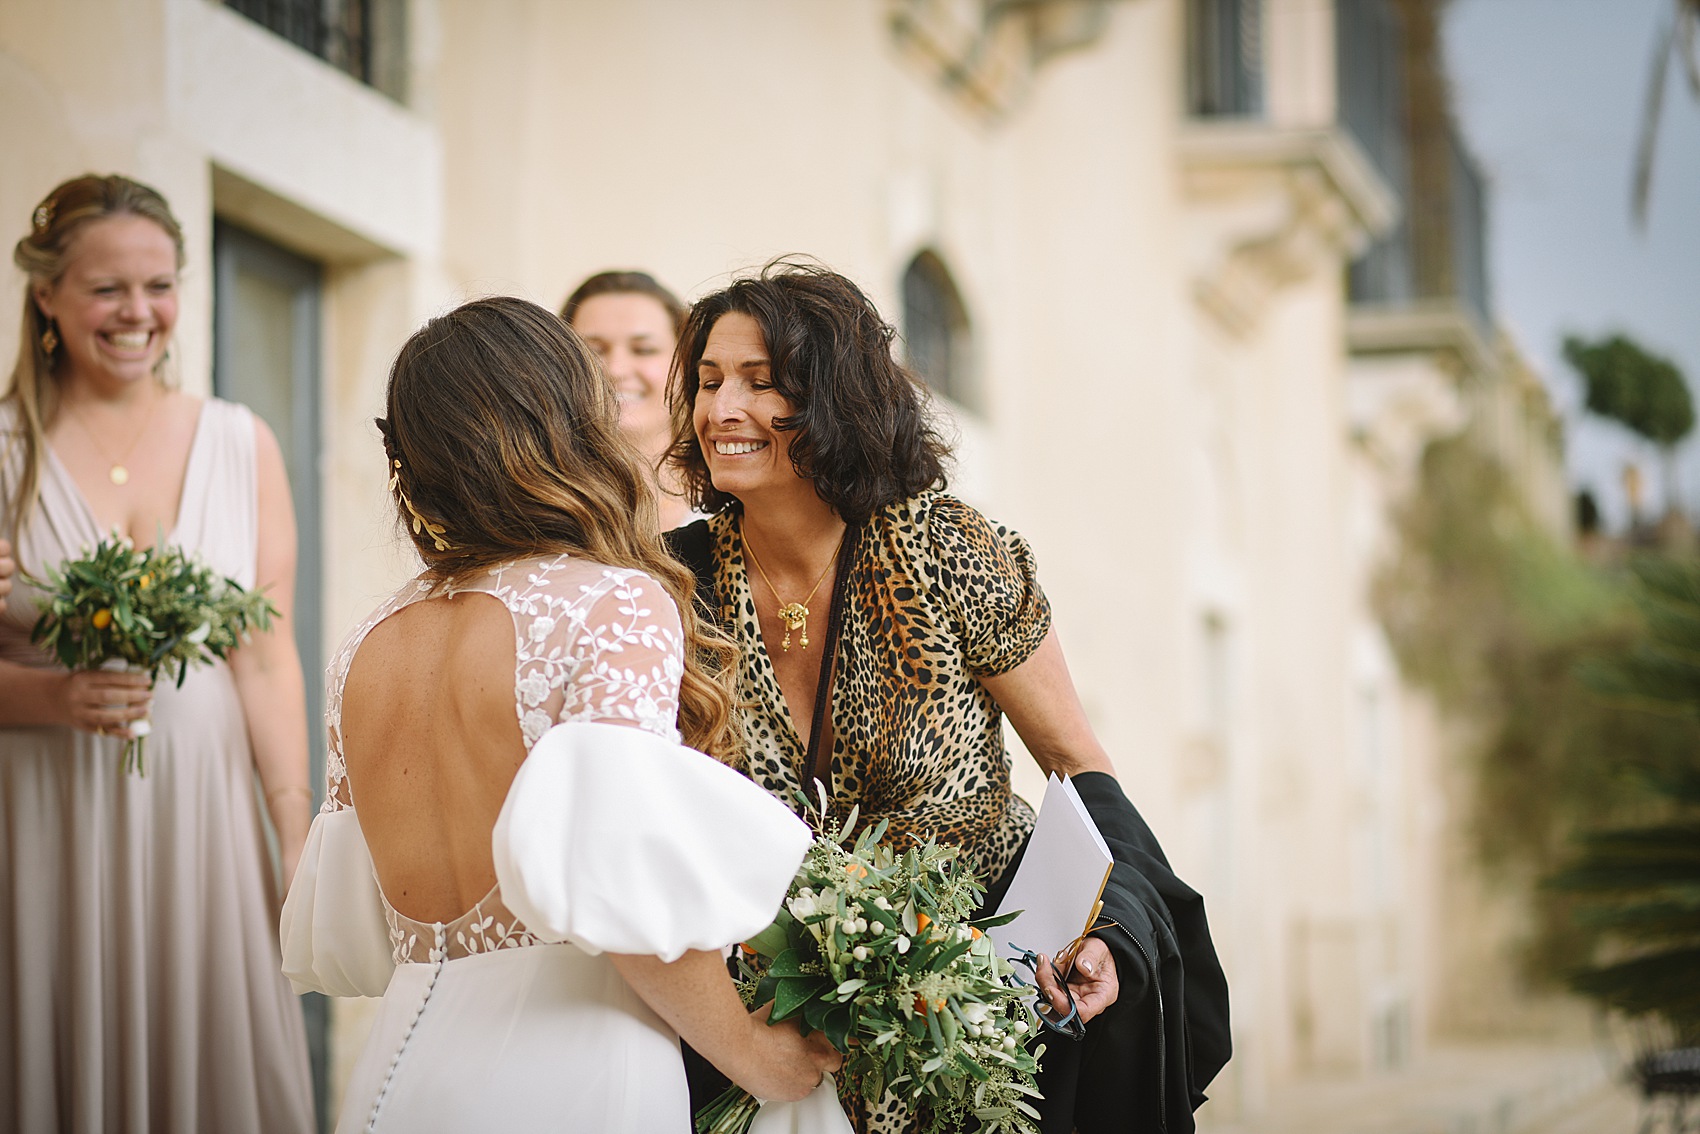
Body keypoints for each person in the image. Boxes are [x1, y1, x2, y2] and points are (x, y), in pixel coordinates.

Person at [664, 261, 1232, 1134]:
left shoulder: (948, 550)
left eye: (760, 383)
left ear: (832, 400)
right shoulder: (673, 582)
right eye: (708, 382)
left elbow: (1077, 764)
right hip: (770, 1032)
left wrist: (1104, 934)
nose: (720, 411)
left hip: (983, 1012)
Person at [279, 296, 844, 1132]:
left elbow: (352, 933)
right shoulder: (612, 606)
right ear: (569, 424)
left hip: (397, 1077)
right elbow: (619, 886)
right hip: (573, 1076)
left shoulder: (364, 644)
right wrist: (757, 1058)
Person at [0, 175, 314, 1131]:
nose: (139, 313)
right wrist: (46, 702)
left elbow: (265, 655)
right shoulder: (5, 447)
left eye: (159, 285)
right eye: (107, 289)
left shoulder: (239, 441)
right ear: (47, 294)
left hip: (205, 817)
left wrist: (294, 830)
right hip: (40, 817)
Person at [562, 270, 697, 529]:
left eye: (643, 350)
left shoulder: (730, 490)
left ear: (684, 362)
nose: (616, 369)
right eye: (595, 350)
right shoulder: (541, 500)